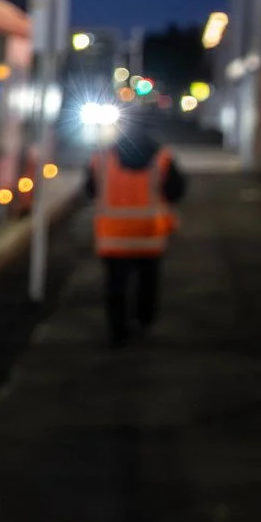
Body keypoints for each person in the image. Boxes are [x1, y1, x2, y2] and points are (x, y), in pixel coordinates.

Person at [85, 106, 186, 347]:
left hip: (113, 237)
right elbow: (176, 191)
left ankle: (118, 331)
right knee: (148, 282)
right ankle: (144, 321)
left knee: (116, 286)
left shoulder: (102, 158)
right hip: (149, 235)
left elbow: (90, 190)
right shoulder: (163, 158)